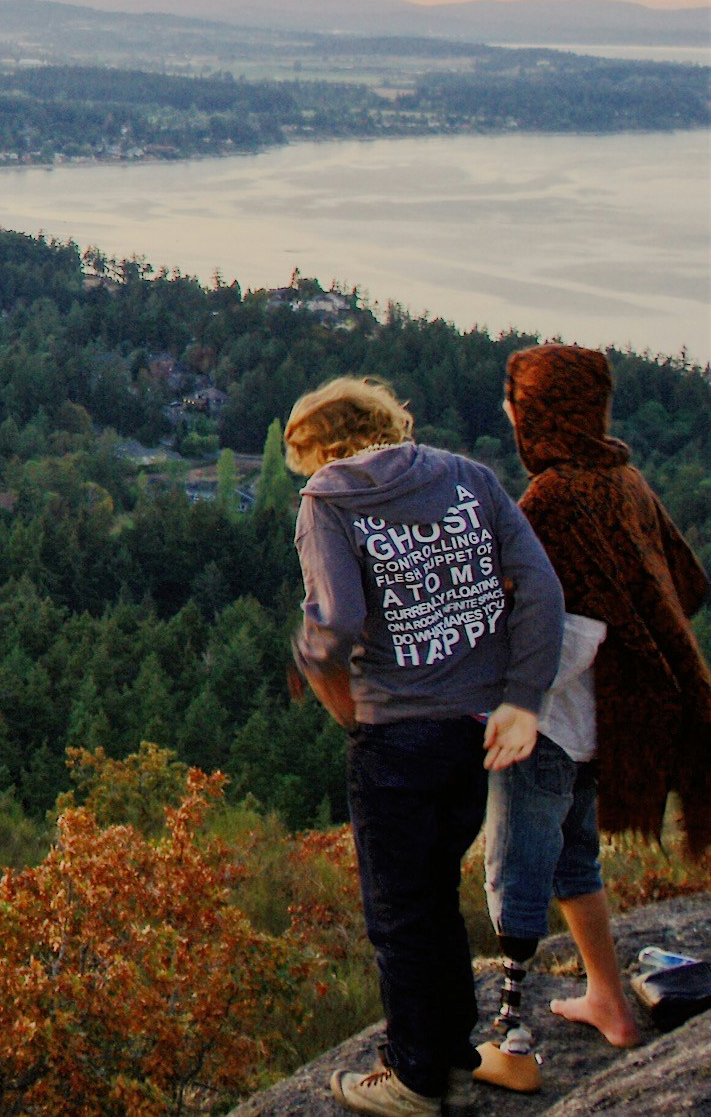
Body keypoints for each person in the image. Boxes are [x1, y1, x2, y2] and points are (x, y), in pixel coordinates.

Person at [287, 376, 563, 1117]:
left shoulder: (327, 499)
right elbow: (539, 586)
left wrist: (316, 667)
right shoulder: (467, 476)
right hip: (474, 724)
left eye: (305, 457)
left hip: (395, 732)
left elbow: (337, 620)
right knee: (434, 890)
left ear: (324, 446)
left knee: (398, 913)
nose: (305, 472)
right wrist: (521, 698)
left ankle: (412, 1077)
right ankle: (445, 1047)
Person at [476, 342, 711, 1078]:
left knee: (512, 870)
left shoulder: (552, 499)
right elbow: (683, 583)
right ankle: (607, 996)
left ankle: (510, 1039)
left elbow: (571, 630)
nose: (508, 413)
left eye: (516, 402)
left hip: (547, 725)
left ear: (539, 413)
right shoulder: (624, 480)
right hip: (605, 723)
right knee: (573, 858)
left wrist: (508, 697)